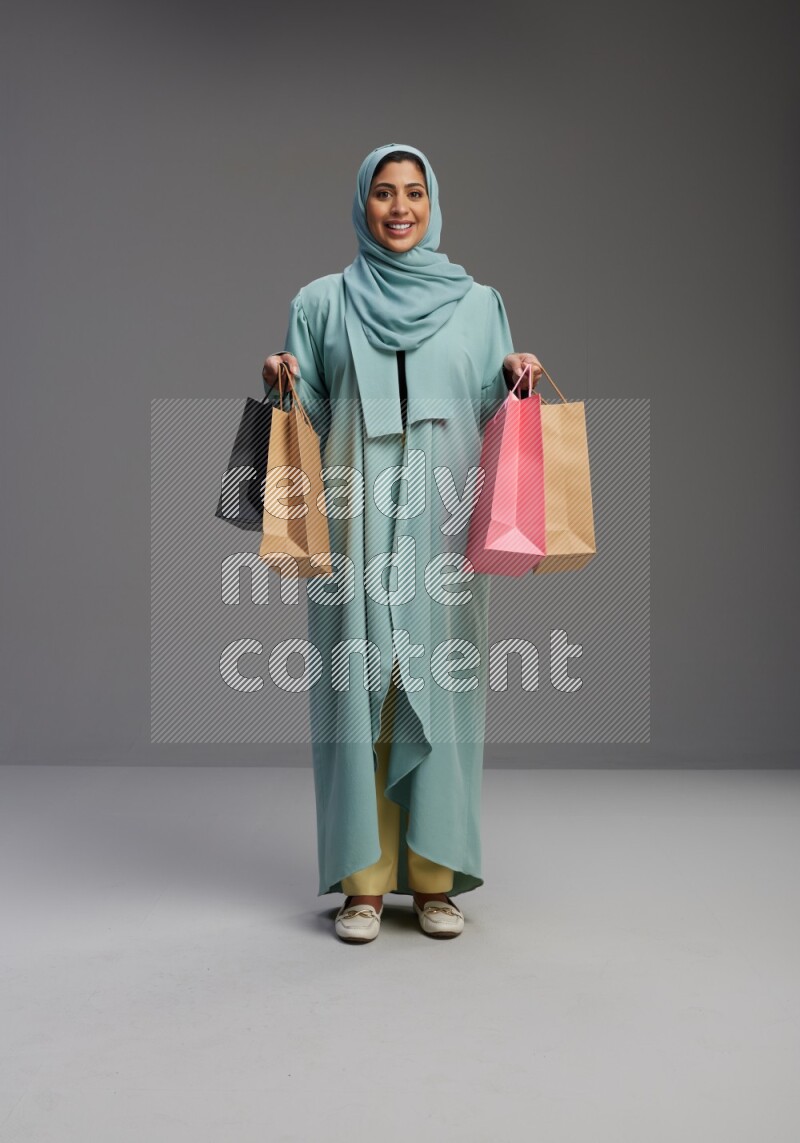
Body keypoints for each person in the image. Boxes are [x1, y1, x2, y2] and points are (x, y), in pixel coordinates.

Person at [262, 143, 543, 943]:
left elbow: (490, 413)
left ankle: (433, 878)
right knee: (359, 689)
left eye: (413, 192)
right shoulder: (321, 302)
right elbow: (312, 417)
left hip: (442, 522)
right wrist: (283, 382)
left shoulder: (480, 305)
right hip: (354, 517)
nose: (399, 208)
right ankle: (362, 883)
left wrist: (516, 379)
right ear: (363, 203)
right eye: (384, 192)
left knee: (440, 688)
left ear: (433, 203)